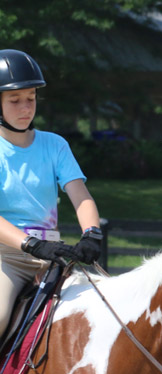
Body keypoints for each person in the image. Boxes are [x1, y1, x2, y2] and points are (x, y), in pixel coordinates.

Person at [0, 49, 104, 337]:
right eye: (15, 100)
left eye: (31, 99)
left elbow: (80, 195)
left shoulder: (55, 145)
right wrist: (30, 244)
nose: (26, 107)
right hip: (6, 258)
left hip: (53, 254)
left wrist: (92, 233)